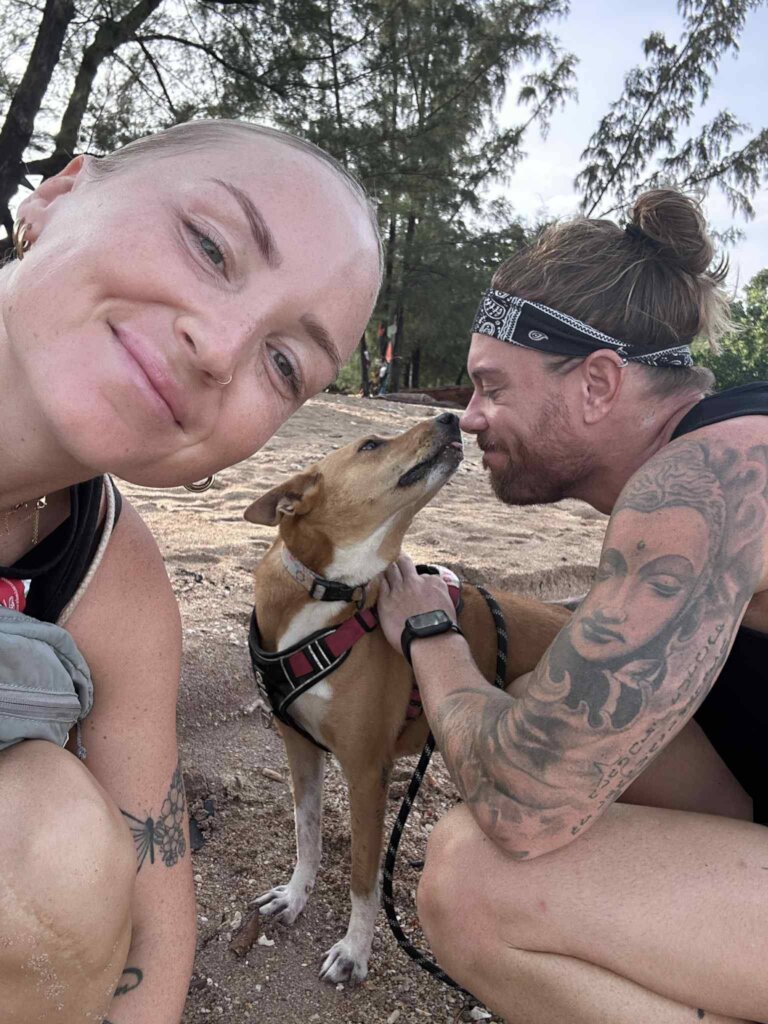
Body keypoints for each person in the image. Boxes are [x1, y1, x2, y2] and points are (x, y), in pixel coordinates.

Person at [0, 119, 381, 1024]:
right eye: (210, 245)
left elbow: (156, 919)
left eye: (282, 363)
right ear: (57, 195)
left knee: (52, 851)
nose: (219, 347)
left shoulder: (112, 574)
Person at [376, 189, 768, 1024]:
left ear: (597, 383)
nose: (469, 417)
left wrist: (431, 637)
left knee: (470, 879)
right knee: (545, 698)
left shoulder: (698, 486)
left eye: (491, 386)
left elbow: (523, 801)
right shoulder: (725, 443)